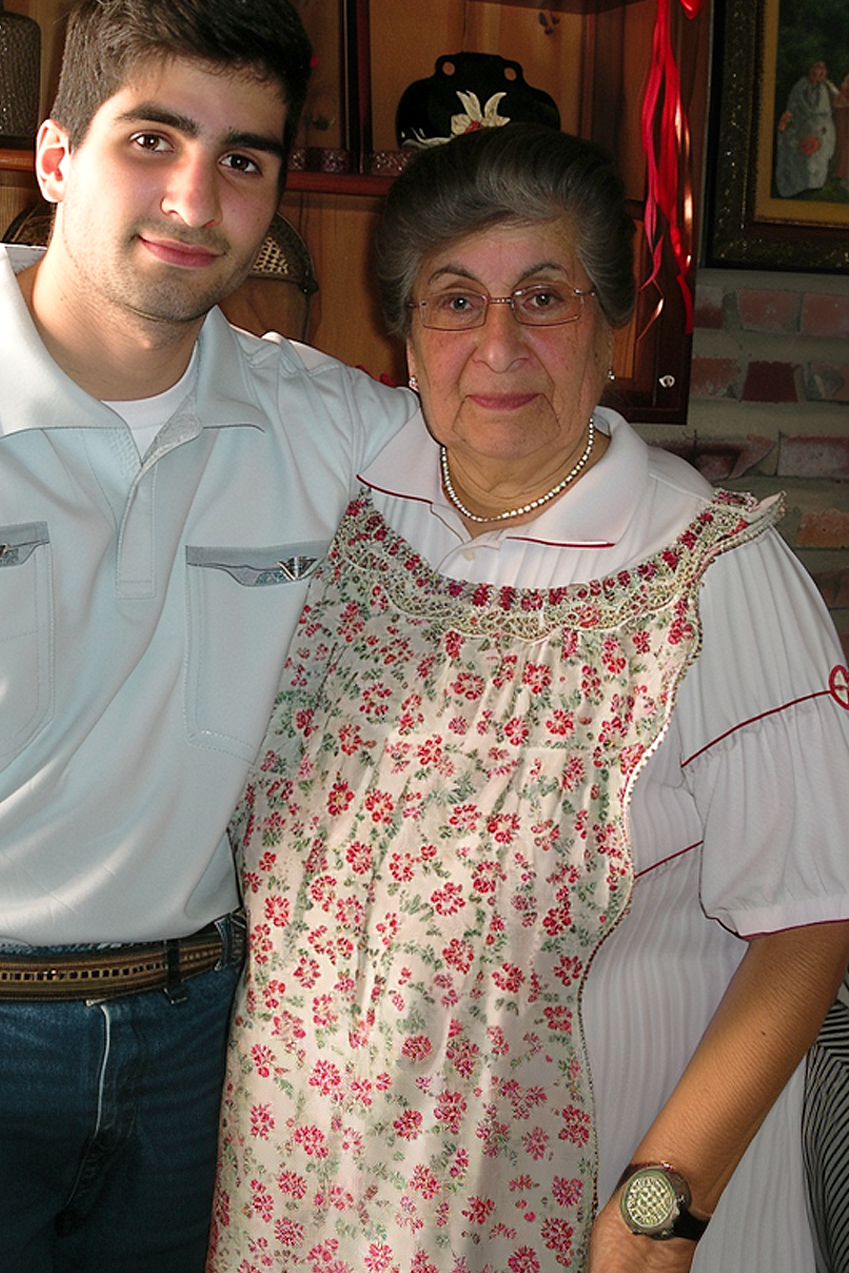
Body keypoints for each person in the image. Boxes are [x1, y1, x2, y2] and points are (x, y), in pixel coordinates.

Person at [0, 0, 412, 1273]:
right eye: (153, 139)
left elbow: (534, 498)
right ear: (56, 156)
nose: (195, 197)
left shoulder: (332, 422)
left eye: (244, 159)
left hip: (201, 1036)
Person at [209, 123, 849, 1272]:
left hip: (579, 1216)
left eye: (544, 296)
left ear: (614, 327)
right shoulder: (346, 520)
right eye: (456, 301)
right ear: (406, 340)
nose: (499, 342)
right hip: (301, 1199)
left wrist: (664, 1208)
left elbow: (811, 923)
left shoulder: (715, 577)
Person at [775, 59, 840, 197]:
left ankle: (815, 184)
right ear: (810, 73)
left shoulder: (825, 87)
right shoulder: (800, 87)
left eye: (820, 75)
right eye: (814, 74)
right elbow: (793, 107)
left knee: (821, 151)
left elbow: (827, 110)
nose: (816, 78)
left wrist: (821, 128)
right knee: (799, 150)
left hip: (821, 126)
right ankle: (801, 184)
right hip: (802, 124)